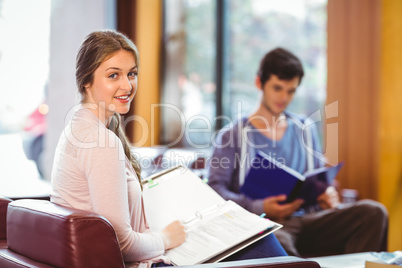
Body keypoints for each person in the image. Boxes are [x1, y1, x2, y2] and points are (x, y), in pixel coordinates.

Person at [50, 30, 286, 267]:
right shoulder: (100, 140)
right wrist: (165, 238)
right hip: (143, 261)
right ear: (86, 81)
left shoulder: (79, 129)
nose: (127, 85)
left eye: (132, 74)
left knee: (253, 236)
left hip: (137, 252)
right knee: (261, 241)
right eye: (113, 75)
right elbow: (121, 243)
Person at [208, 47, 389, 257]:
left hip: (309, 220)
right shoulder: (232, 136)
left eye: (291, 91)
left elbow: (318, 179)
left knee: (373, 213)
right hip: (265, 225)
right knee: (278, 240)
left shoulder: (306, 129)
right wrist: (258, 206)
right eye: (277, 88)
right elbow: (215, 191)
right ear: (259, 83)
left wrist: (327, 193)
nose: (284, 97)